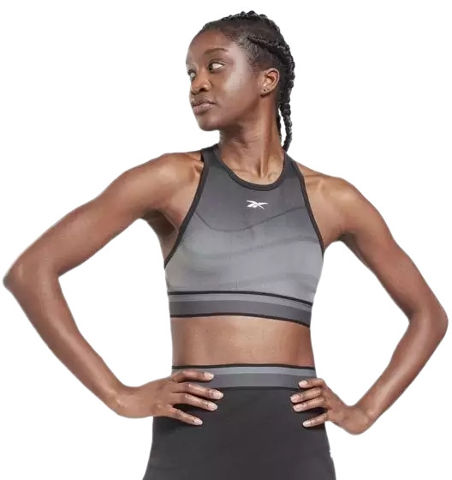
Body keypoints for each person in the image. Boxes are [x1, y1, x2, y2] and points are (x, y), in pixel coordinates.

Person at [3, 10, 448, 480]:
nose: (197, 84)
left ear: (267, 79)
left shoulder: (332, 199)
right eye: (191, 73)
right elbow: (31, 272)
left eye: (215, 66)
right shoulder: (171, 180)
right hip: (192, 439)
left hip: (296, 443)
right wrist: (118, 394)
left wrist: (364, 412)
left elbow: (429, 316)